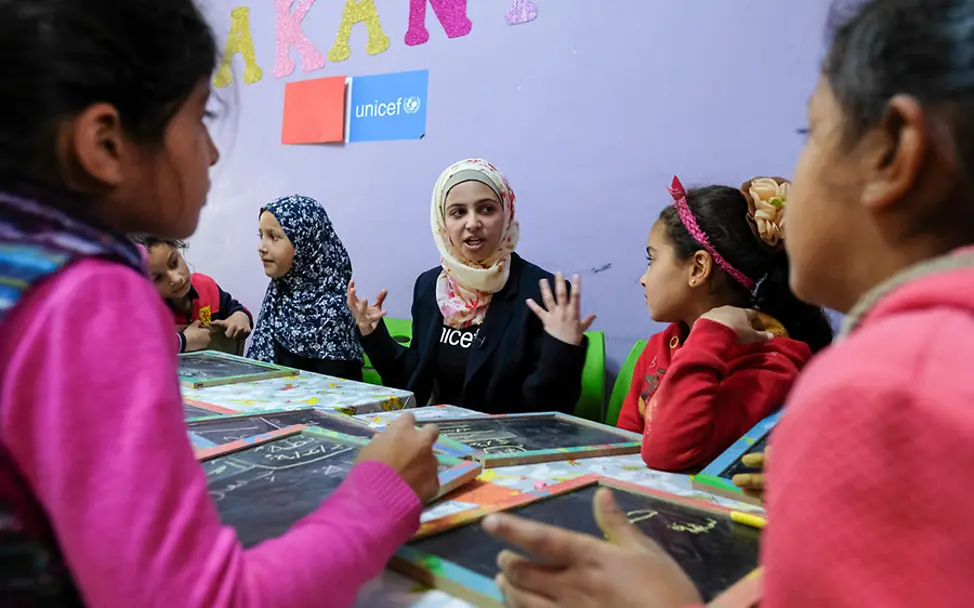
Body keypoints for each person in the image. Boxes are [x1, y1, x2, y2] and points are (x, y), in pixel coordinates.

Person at [482, 0, 974, 605]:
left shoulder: (874, 382)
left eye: (812, 132)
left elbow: (664, 452)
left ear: (893, 152)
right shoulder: (917, 356)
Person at [0, 1, 440, 605]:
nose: (210, 152)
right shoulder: (88, 290)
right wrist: (380, 493)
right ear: (105, 142)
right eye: (199, 117)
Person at [615, 177, 833, 471]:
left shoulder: (771, 364)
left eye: (651, 259)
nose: (644, 277)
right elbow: (624, 448)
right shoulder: (659, 347)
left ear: (698, 268)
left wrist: (711, 333)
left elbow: (668, 453)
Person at [348, 158, 593, 413]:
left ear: (507, 214)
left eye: (487, 209)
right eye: (458, 212)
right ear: (443, 223)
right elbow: (415, 384)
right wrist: (374, 334)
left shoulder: (543, 294)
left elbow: (548, 412)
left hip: (508, 443)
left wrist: (563, 349)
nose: (473, 223)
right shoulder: (430, 286)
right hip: (439, 440)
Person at [247, 195, 364, 380]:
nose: (261, 247)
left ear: (306, 244)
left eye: (274, 237)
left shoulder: (333, 312)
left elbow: (339, 395)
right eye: (261, 236)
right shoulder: (279, 295)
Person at [135, 235, 252, 352]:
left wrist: (241, 316)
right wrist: (184, 341)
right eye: (158, 278)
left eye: (174, 263)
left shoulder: (206, 286)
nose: (176, 279)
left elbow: (236, 309)